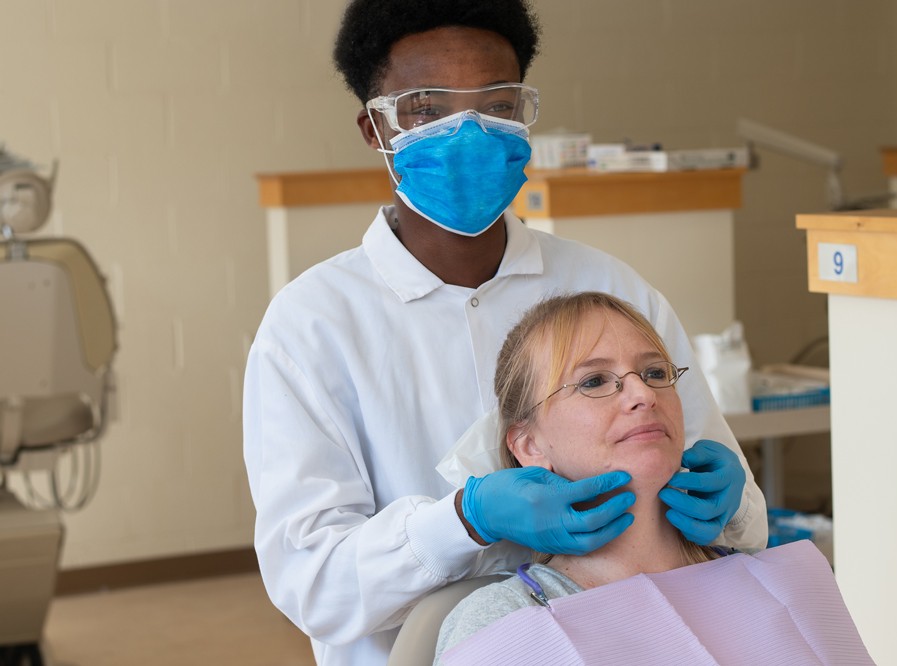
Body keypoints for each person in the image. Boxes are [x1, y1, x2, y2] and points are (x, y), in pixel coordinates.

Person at [242, 2, 767, 665]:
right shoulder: (311, 327)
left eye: (496, 106)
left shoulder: (611, 289)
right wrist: (465, 521)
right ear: (374, 129)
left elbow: (736, 507)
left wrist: (729, 508)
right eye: (427, 110)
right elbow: (312, 582)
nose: (469, 133)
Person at [433, 292, 729, 661]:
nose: (643, 394)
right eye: (593, 381)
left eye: (655, 373)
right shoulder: (506, 622)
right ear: (529, 446)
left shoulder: (760, 580)